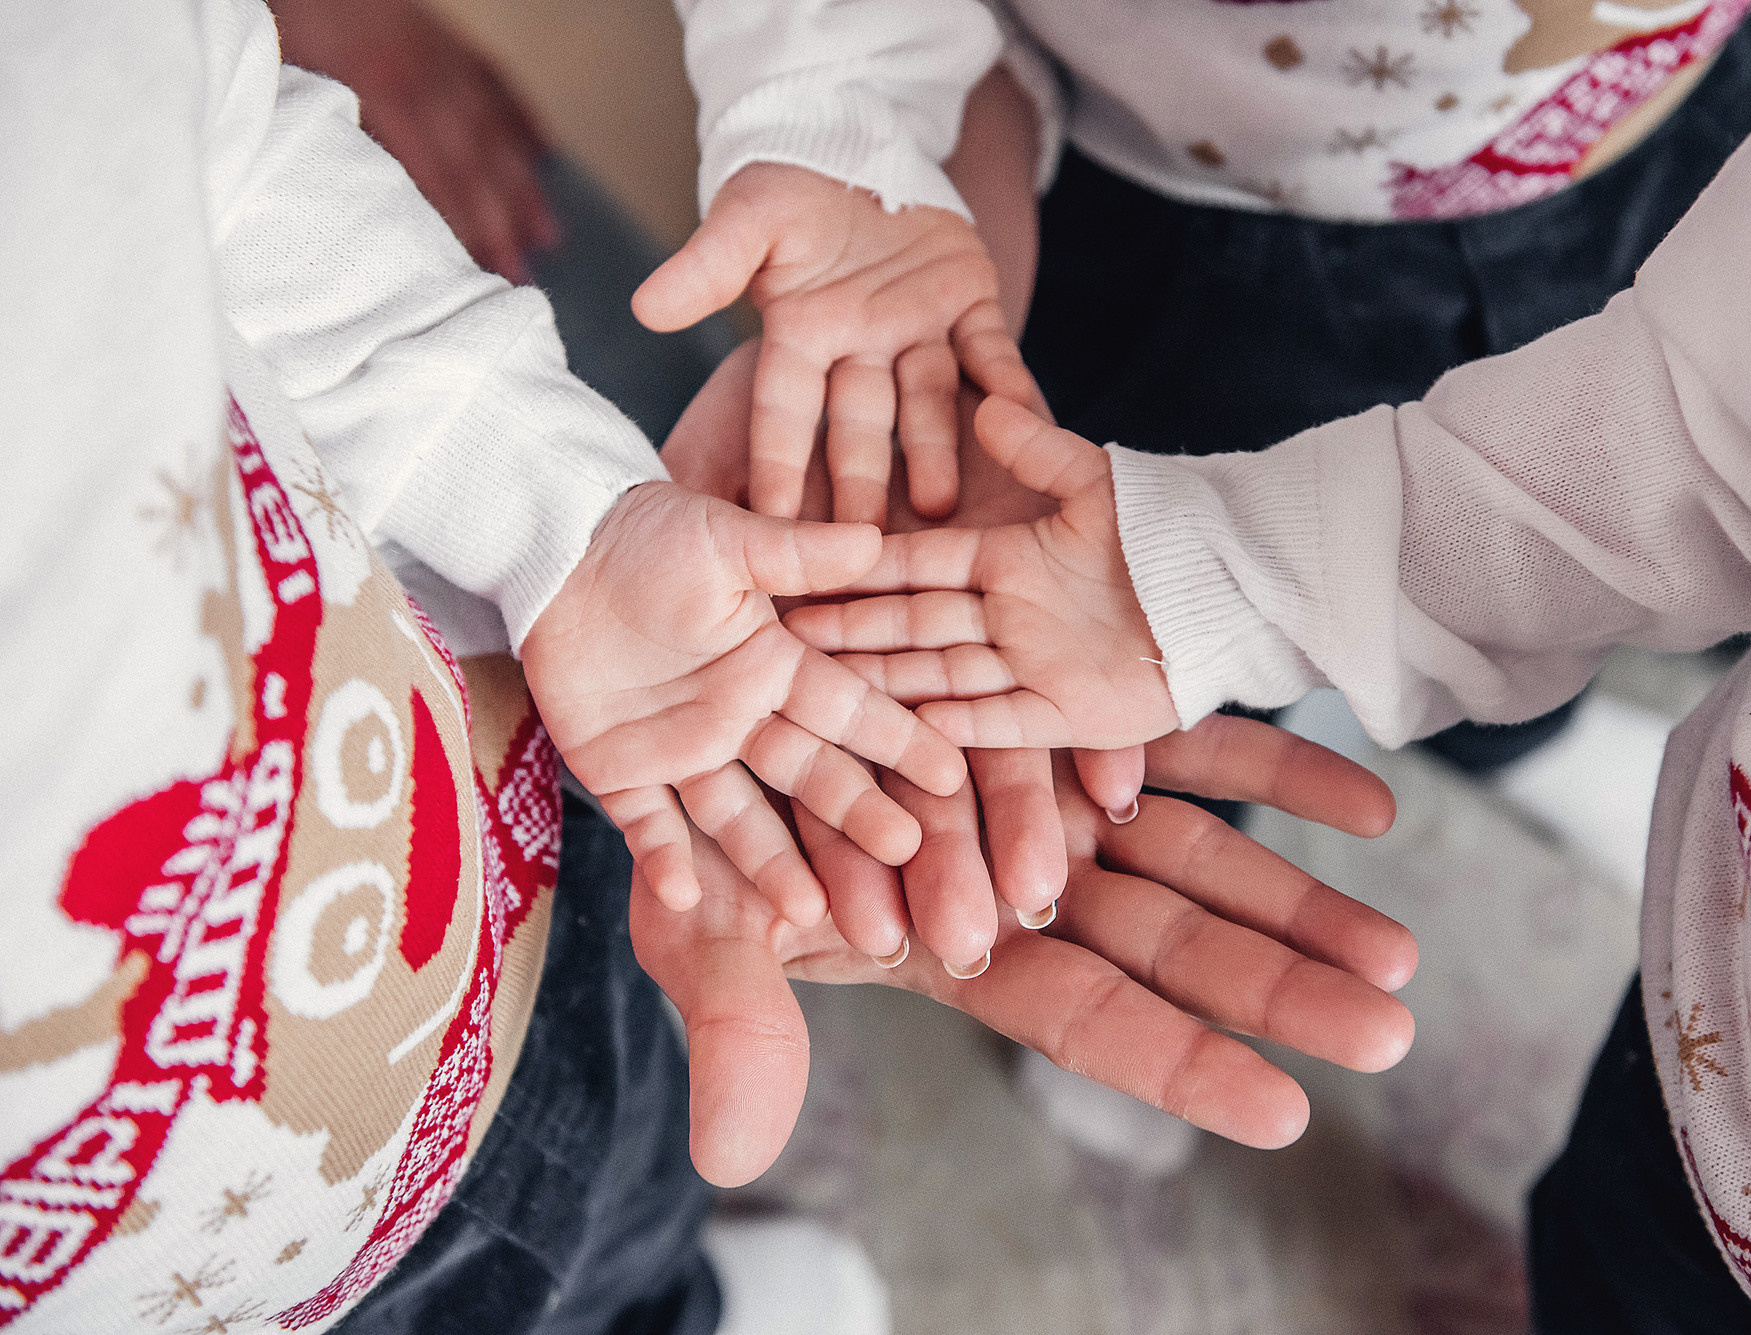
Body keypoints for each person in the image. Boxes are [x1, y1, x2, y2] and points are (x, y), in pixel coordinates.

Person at [0, 5, 1418, 1333]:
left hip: (527, 891)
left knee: (633, 1216)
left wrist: (557, 514)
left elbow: (211, 138)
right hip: (232, 1289)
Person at [783, 0, 1751, 1328]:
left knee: (1534, 575)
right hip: (1206, 208)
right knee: (1164, 636)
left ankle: (1510, 738)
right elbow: (1691, 443)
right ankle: (1141, 868)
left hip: (1656, 138)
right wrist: (1203, 581)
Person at [641, 0, 1751, 781]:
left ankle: (1518, 753)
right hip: (1185, 223)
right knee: (1138, 642)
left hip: (1673, 138)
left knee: (1574, 554)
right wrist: (861, 128)